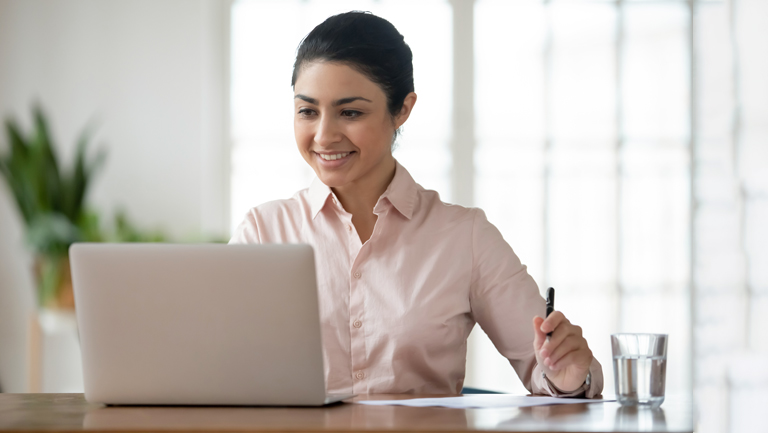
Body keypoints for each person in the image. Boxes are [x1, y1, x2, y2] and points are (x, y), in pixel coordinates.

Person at [230, 11, 603, 397]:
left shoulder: (466, 237)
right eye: (307, 111)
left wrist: (571, 376)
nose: (324, 135)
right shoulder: (262, 232)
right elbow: (217, 367)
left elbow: (548, 369)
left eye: (350, 112)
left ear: (402, 109)